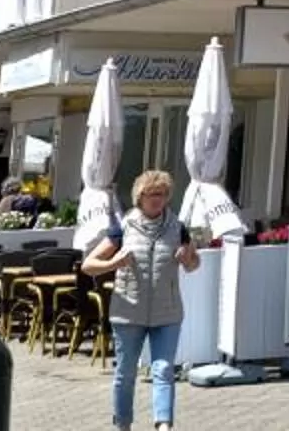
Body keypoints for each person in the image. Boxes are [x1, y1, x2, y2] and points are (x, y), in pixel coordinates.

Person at [82, 169, 200, 431]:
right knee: (125, 375)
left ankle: (164, 425)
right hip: (128, 312)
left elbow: (194, 265)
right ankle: (123, 424)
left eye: (161, 194)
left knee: (164, 370)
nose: (156, 200)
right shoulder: (122, 228)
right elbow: (88, 265)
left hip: (167, 312)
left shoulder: (178, 228)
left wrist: (187, 258)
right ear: (140, 197)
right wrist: (115, 262)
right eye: (151, 195)